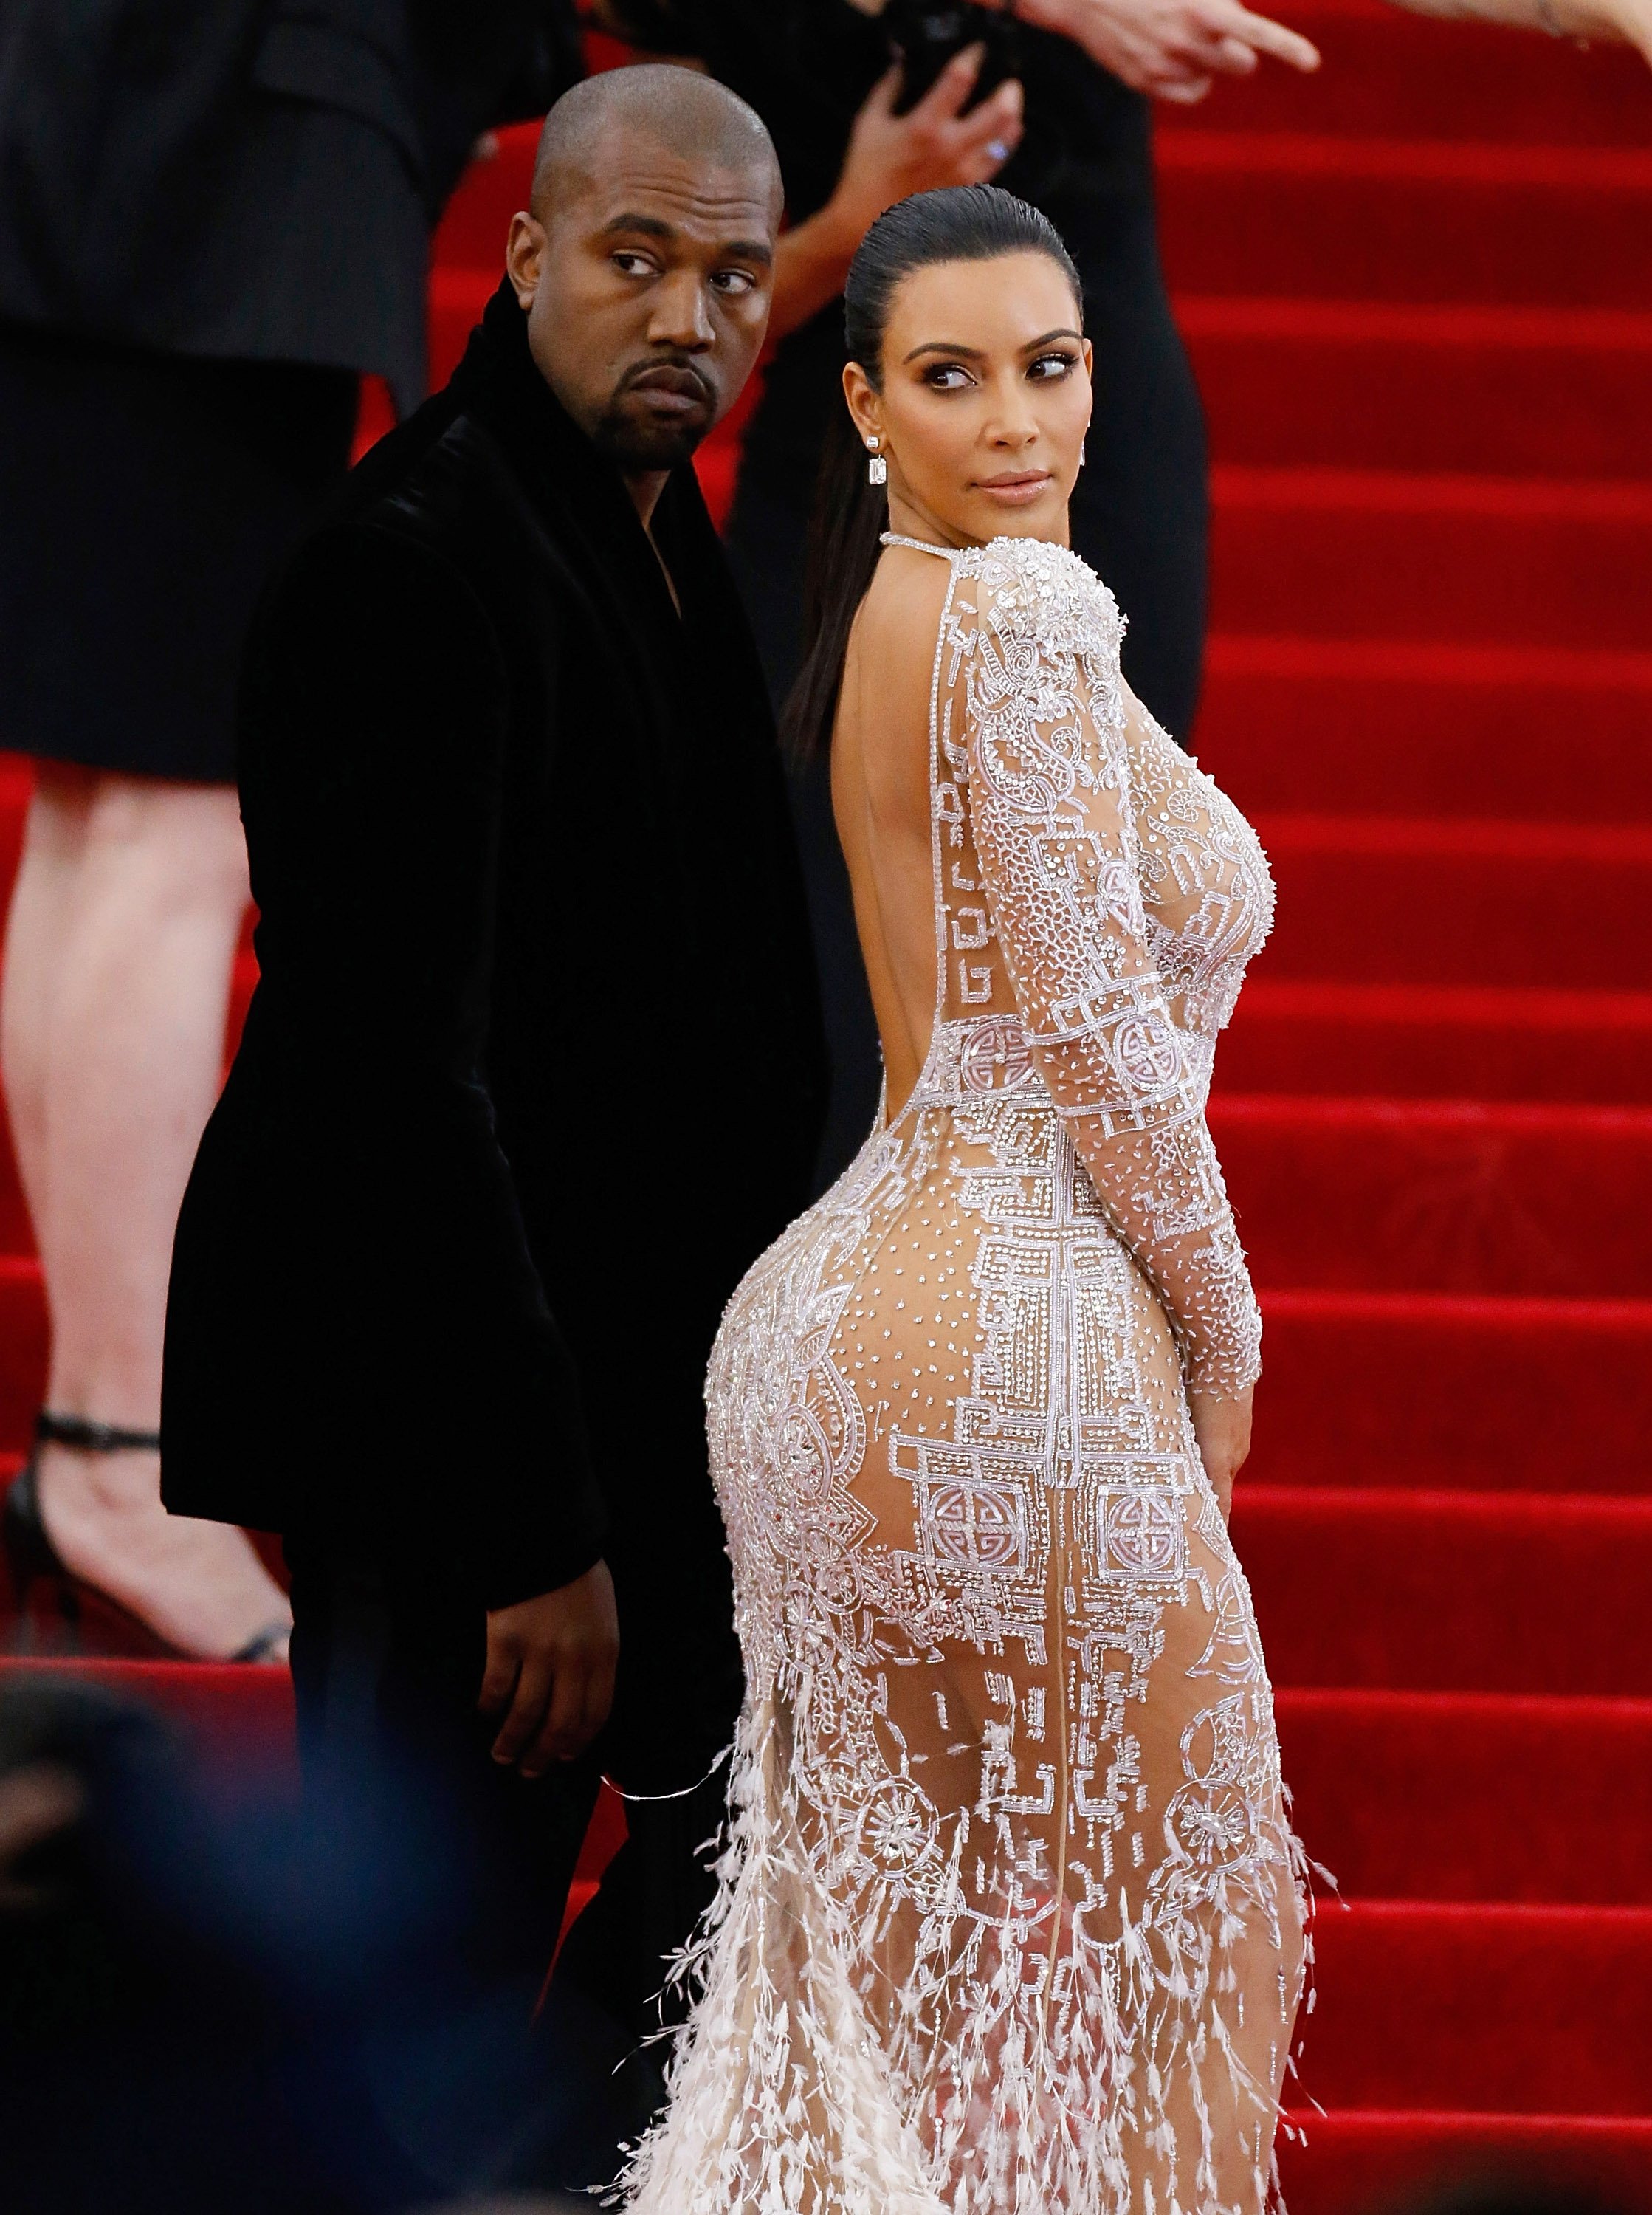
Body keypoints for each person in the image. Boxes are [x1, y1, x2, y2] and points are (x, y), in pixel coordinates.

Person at [161, 62, 826, 2185]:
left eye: (732, 274)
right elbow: (388, 1086)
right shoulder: (414, 564)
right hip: (453, 1440)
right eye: (636, 261)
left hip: (634, 1415)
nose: (690, 320)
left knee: (651, 1957)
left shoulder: (643, 528)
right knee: (408, 1994)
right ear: (526, 252)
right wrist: (532, 1535)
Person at [617, 184, 1306, 2214]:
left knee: (849, 2010)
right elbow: (1095, 1033)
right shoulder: (1017, 614)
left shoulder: (908, 606)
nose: (1013, 419)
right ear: (857, 402)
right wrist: (1224, 1331)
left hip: (832, 1330)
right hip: (1011, 1311)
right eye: (949, 375)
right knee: (1205, 1946)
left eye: (1050, 364)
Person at [0, 0, 586, 1662]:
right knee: (171, 826)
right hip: (202, 167)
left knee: (108, 813)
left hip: (116, 149)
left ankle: (99, 1439)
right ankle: (114, 1448)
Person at [604, 0, 1319, 1187]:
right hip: (838, 466)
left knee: (1084, 939)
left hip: (1095, 462)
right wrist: (843, 223)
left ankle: (1065, 1327)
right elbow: (655, 349)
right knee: (802, 971)